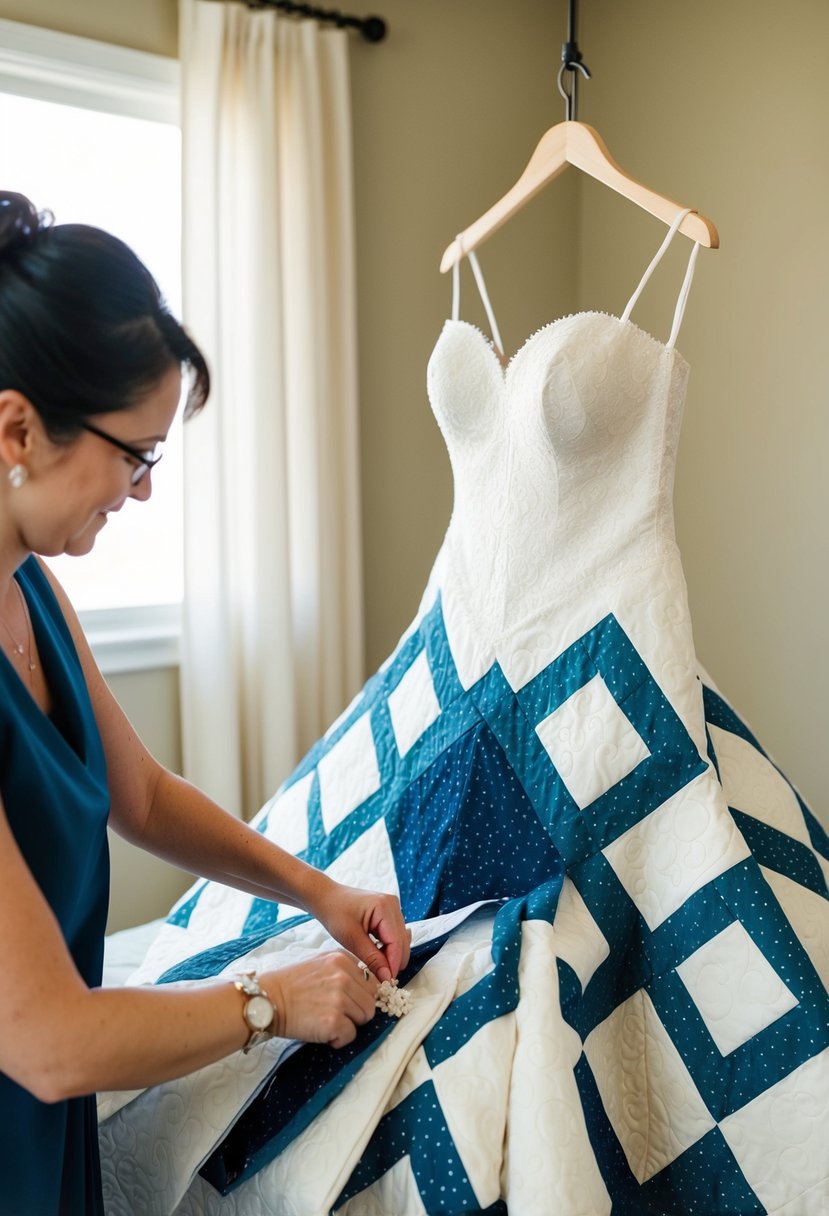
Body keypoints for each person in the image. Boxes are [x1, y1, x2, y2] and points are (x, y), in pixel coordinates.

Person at [0, 190, 410, 1216]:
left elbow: (139, 792)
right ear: (17, 424)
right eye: (134, 455)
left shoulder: (32, 588)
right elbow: (48, 1040)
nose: (140, 493)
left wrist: (316, 890)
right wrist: (268, 1001)